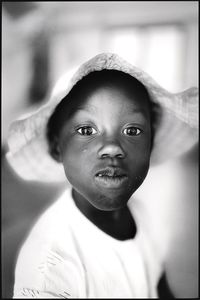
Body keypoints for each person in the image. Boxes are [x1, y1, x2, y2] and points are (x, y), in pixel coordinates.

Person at [6, 53, 198, 298]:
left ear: (151, 143)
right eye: (86, 129)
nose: (112, 147)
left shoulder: (142, 215)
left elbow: (160, 287)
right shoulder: (48, 270)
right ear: (57, 148)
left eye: (132, 129)